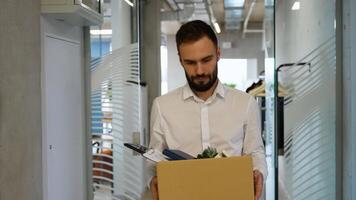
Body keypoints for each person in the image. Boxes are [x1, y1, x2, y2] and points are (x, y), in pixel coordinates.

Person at [146, 20, 267, 200]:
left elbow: (255, 151)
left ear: (218, 54)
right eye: (190, 62)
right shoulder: (162, 106)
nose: (200, 70)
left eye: (206, 60)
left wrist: (259, 172)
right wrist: (152, 179)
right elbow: (154, 157)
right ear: (180, 60)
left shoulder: (245, 103)